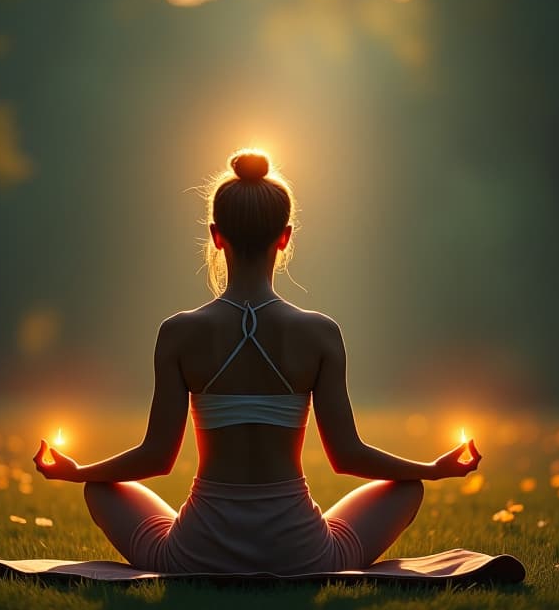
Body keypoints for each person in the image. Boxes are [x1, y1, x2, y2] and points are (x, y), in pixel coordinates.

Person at [33, 149, 482, 574]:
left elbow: (156, 457)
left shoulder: (179, 333)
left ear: (215, 234)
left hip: (197, 551)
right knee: (407, 487)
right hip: (302, 554)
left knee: (99, 487)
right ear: (285, 238)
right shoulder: (319, 332)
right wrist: (431, 469)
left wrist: (77, 473)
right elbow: (347, 455)